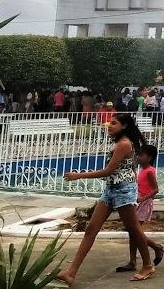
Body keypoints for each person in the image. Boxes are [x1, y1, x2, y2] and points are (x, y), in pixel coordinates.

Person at [56, 114, 156, 284]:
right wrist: (133, 181)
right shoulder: (119, 143)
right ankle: (71, 272)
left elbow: (108, 171)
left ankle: (147, 265)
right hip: (111, 189)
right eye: (110, 123)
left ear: (124, 126)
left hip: (123, 191)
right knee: (91, 229)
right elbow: (131, 166)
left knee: (133, 229)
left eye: (114, 123)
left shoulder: (124, 144)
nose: (109, 125)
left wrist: (78, 175)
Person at [119, 145, 164, 273]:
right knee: (132, 232)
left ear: (149, 158)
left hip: (143, 203)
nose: (138, 157)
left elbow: (155, 189)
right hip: (138, 202)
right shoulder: (142, 170)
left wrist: (143, 198)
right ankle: (132, 261)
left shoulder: (150, 171)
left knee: (135, 231)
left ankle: (156, 247)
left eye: (141, 155)